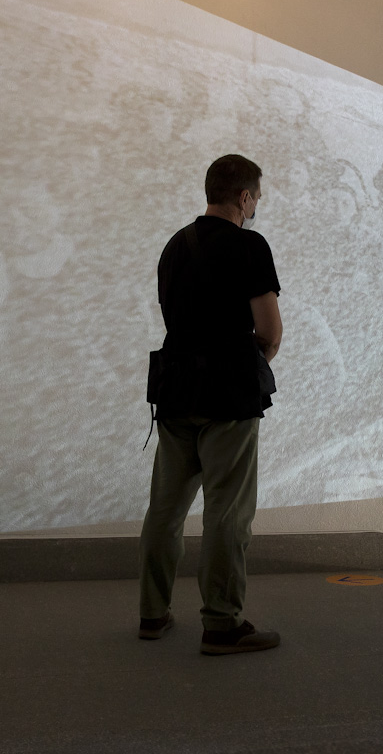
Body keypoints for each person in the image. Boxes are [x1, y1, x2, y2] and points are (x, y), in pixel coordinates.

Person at [139, 155, 283, 656]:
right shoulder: (249, 246)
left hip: (175, 390)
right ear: (244, 197)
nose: (256, 206)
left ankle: (152, 613)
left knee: (165, 509)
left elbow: (177, 319)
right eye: (256, 197)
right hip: (229, 396)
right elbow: (269, 332)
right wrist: (245, 364)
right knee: (227, 511)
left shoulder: (175, 245)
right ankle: (221, 623)